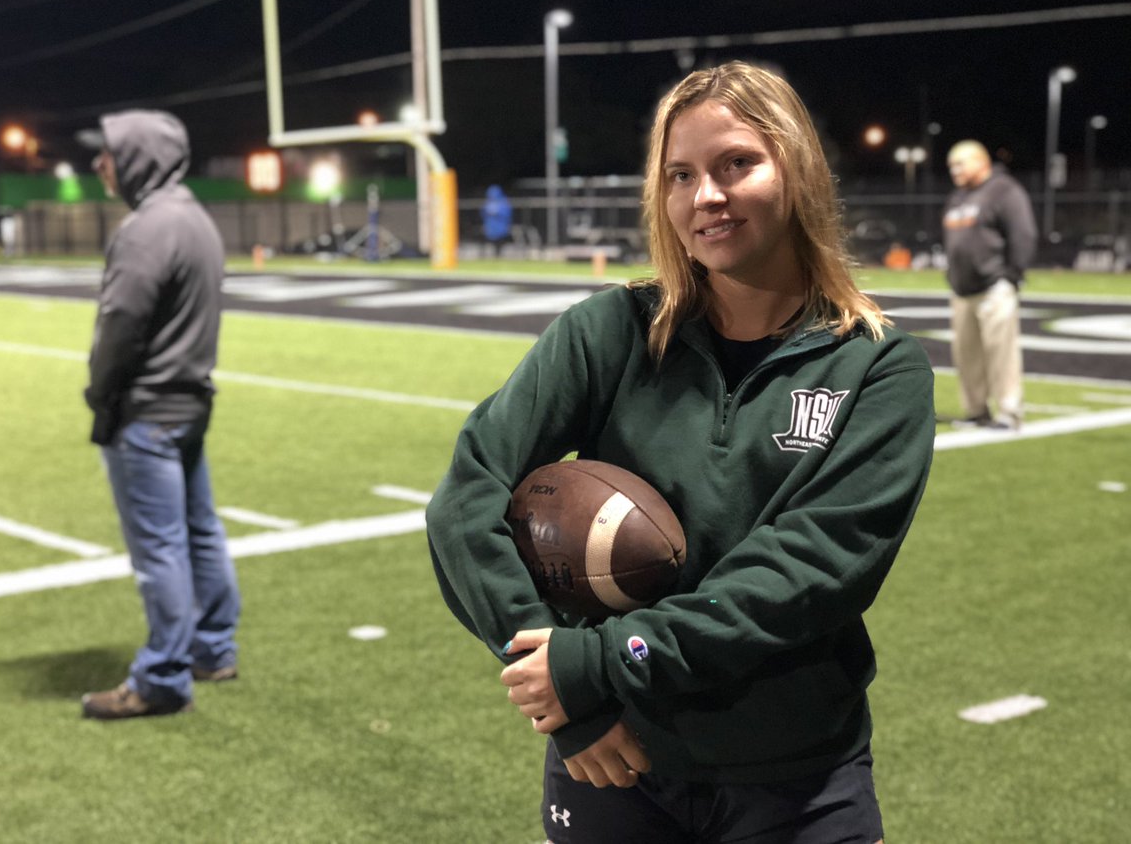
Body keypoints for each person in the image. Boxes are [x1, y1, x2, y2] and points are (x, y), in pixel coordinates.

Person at [426, 61, 935, 843]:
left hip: (795, 777)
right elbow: (468, 493)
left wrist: (602, 663)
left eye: (737, 163)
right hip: (615, 762)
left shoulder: (875, 366)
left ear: (795, 166)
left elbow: (809, 571)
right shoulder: (610, 332)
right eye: (681, 174)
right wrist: (561, 686)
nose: (707, 196)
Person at [78, 109, 241, 720]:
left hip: (146, 409)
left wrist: (99, 396)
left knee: (161, 550)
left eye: (110, 152)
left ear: (138, 157)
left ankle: (163, 678)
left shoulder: (147, 227)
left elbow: (119, 327)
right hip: (190, 404)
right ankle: (213, 648)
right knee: (199, 531)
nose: (100, 163)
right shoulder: (195, 218)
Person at [942, 140, 1038, 430]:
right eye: (951, 165)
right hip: (962, 290)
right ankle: (976, 410)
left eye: (960, 163)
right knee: (967, 355)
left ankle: (1009, 412)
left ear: (981, 162)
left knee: (1001, 353)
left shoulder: (1004, 190)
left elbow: (1023, 234)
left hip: (994, 286)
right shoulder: (958, 197)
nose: (954, 170)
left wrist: (1011, 276)